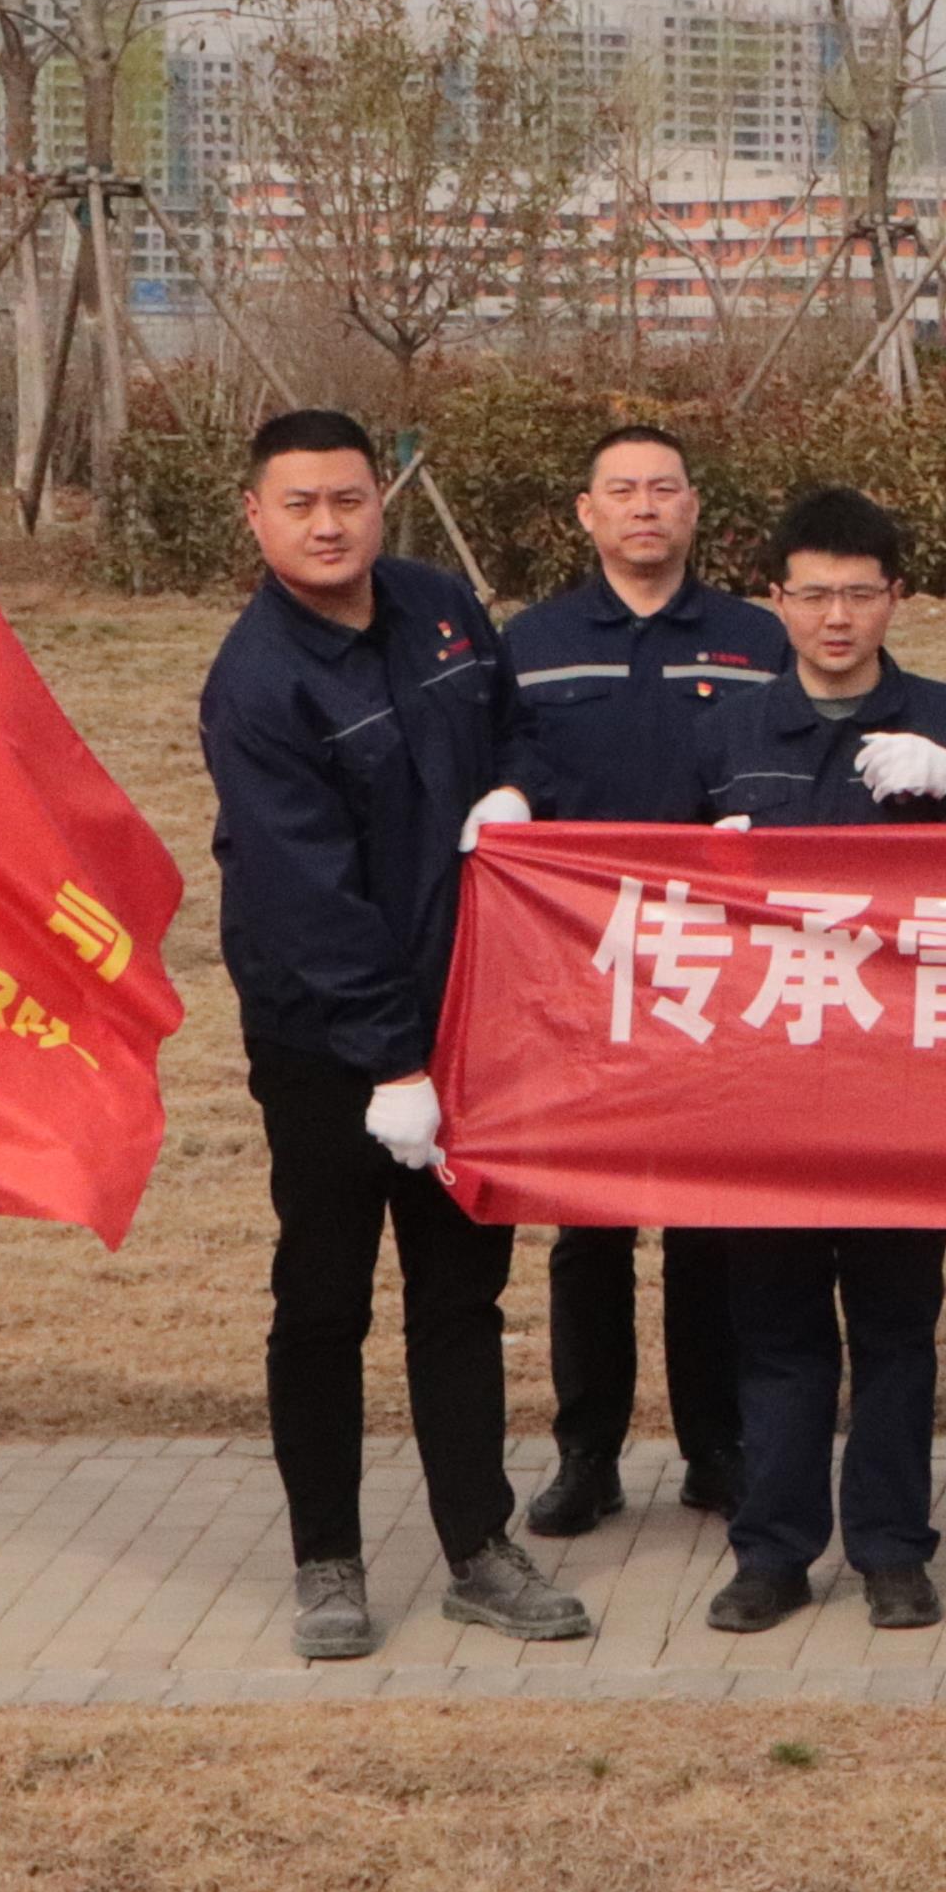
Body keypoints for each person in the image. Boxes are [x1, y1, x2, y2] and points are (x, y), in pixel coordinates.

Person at [196, 410, 593, 1662]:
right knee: (323, 1299)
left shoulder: (438, 607)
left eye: (349, 499)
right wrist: (390, 1062)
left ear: (381, 501)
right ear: (255, 517)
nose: (328, 526)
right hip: (327, 1042)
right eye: (300, 504)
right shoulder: (257, 681)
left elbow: (517, 722)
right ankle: (327, 1561)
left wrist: (517, 790)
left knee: (461, 1294)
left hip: (469, 1020)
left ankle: (479, 1547)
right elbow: (305, 894)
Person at [691, 487, 946, 1635]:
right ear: (775, 599)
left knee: (896, 1327)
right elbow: (650, 891)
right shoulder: (729, 733)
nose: (835, 617)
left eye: (858, 594)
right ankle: (771, 1549)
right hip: (765, 1080)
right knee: (774, 1331)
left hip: (902, 1082)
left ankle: (891, 1549)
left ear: (894, 599)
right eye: (813, 594)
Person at [497, 423, 784, 1539]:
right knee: (592, 1224)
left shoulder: (754, 638)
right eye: (621, 490)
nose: (644, 507)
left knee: (709, 1222)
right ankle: (587, 1453)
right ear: (587, 512)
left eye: (664, 488)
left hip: (717, 967)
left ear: (694, 505)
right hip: (582, 968)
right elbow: (506, 761)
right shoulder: (535, 641)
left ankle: (718, 1447)